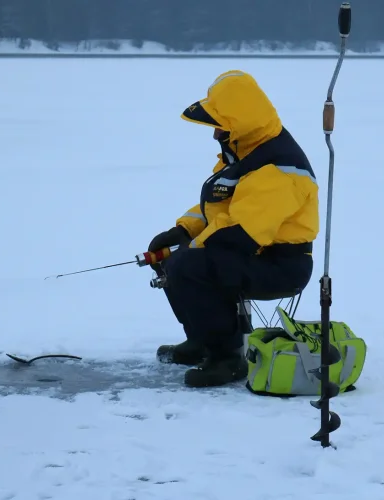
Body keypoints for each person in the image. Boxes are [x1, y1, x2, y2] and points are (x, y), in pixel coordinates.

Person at [148, 70, 319, 388]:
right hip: (252, 254)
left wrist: (188, 250)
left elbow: (238, 232)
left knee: (190, 265)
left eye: (220, 128)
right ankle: (201, 341)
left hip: (280, 265)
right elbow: (219, 205)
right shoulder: (247, 151)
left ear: (240, 123)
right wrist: (183, 231)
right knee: (177, 260)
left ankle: (228, 358)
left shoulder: (279, 169)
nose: (215, 135)